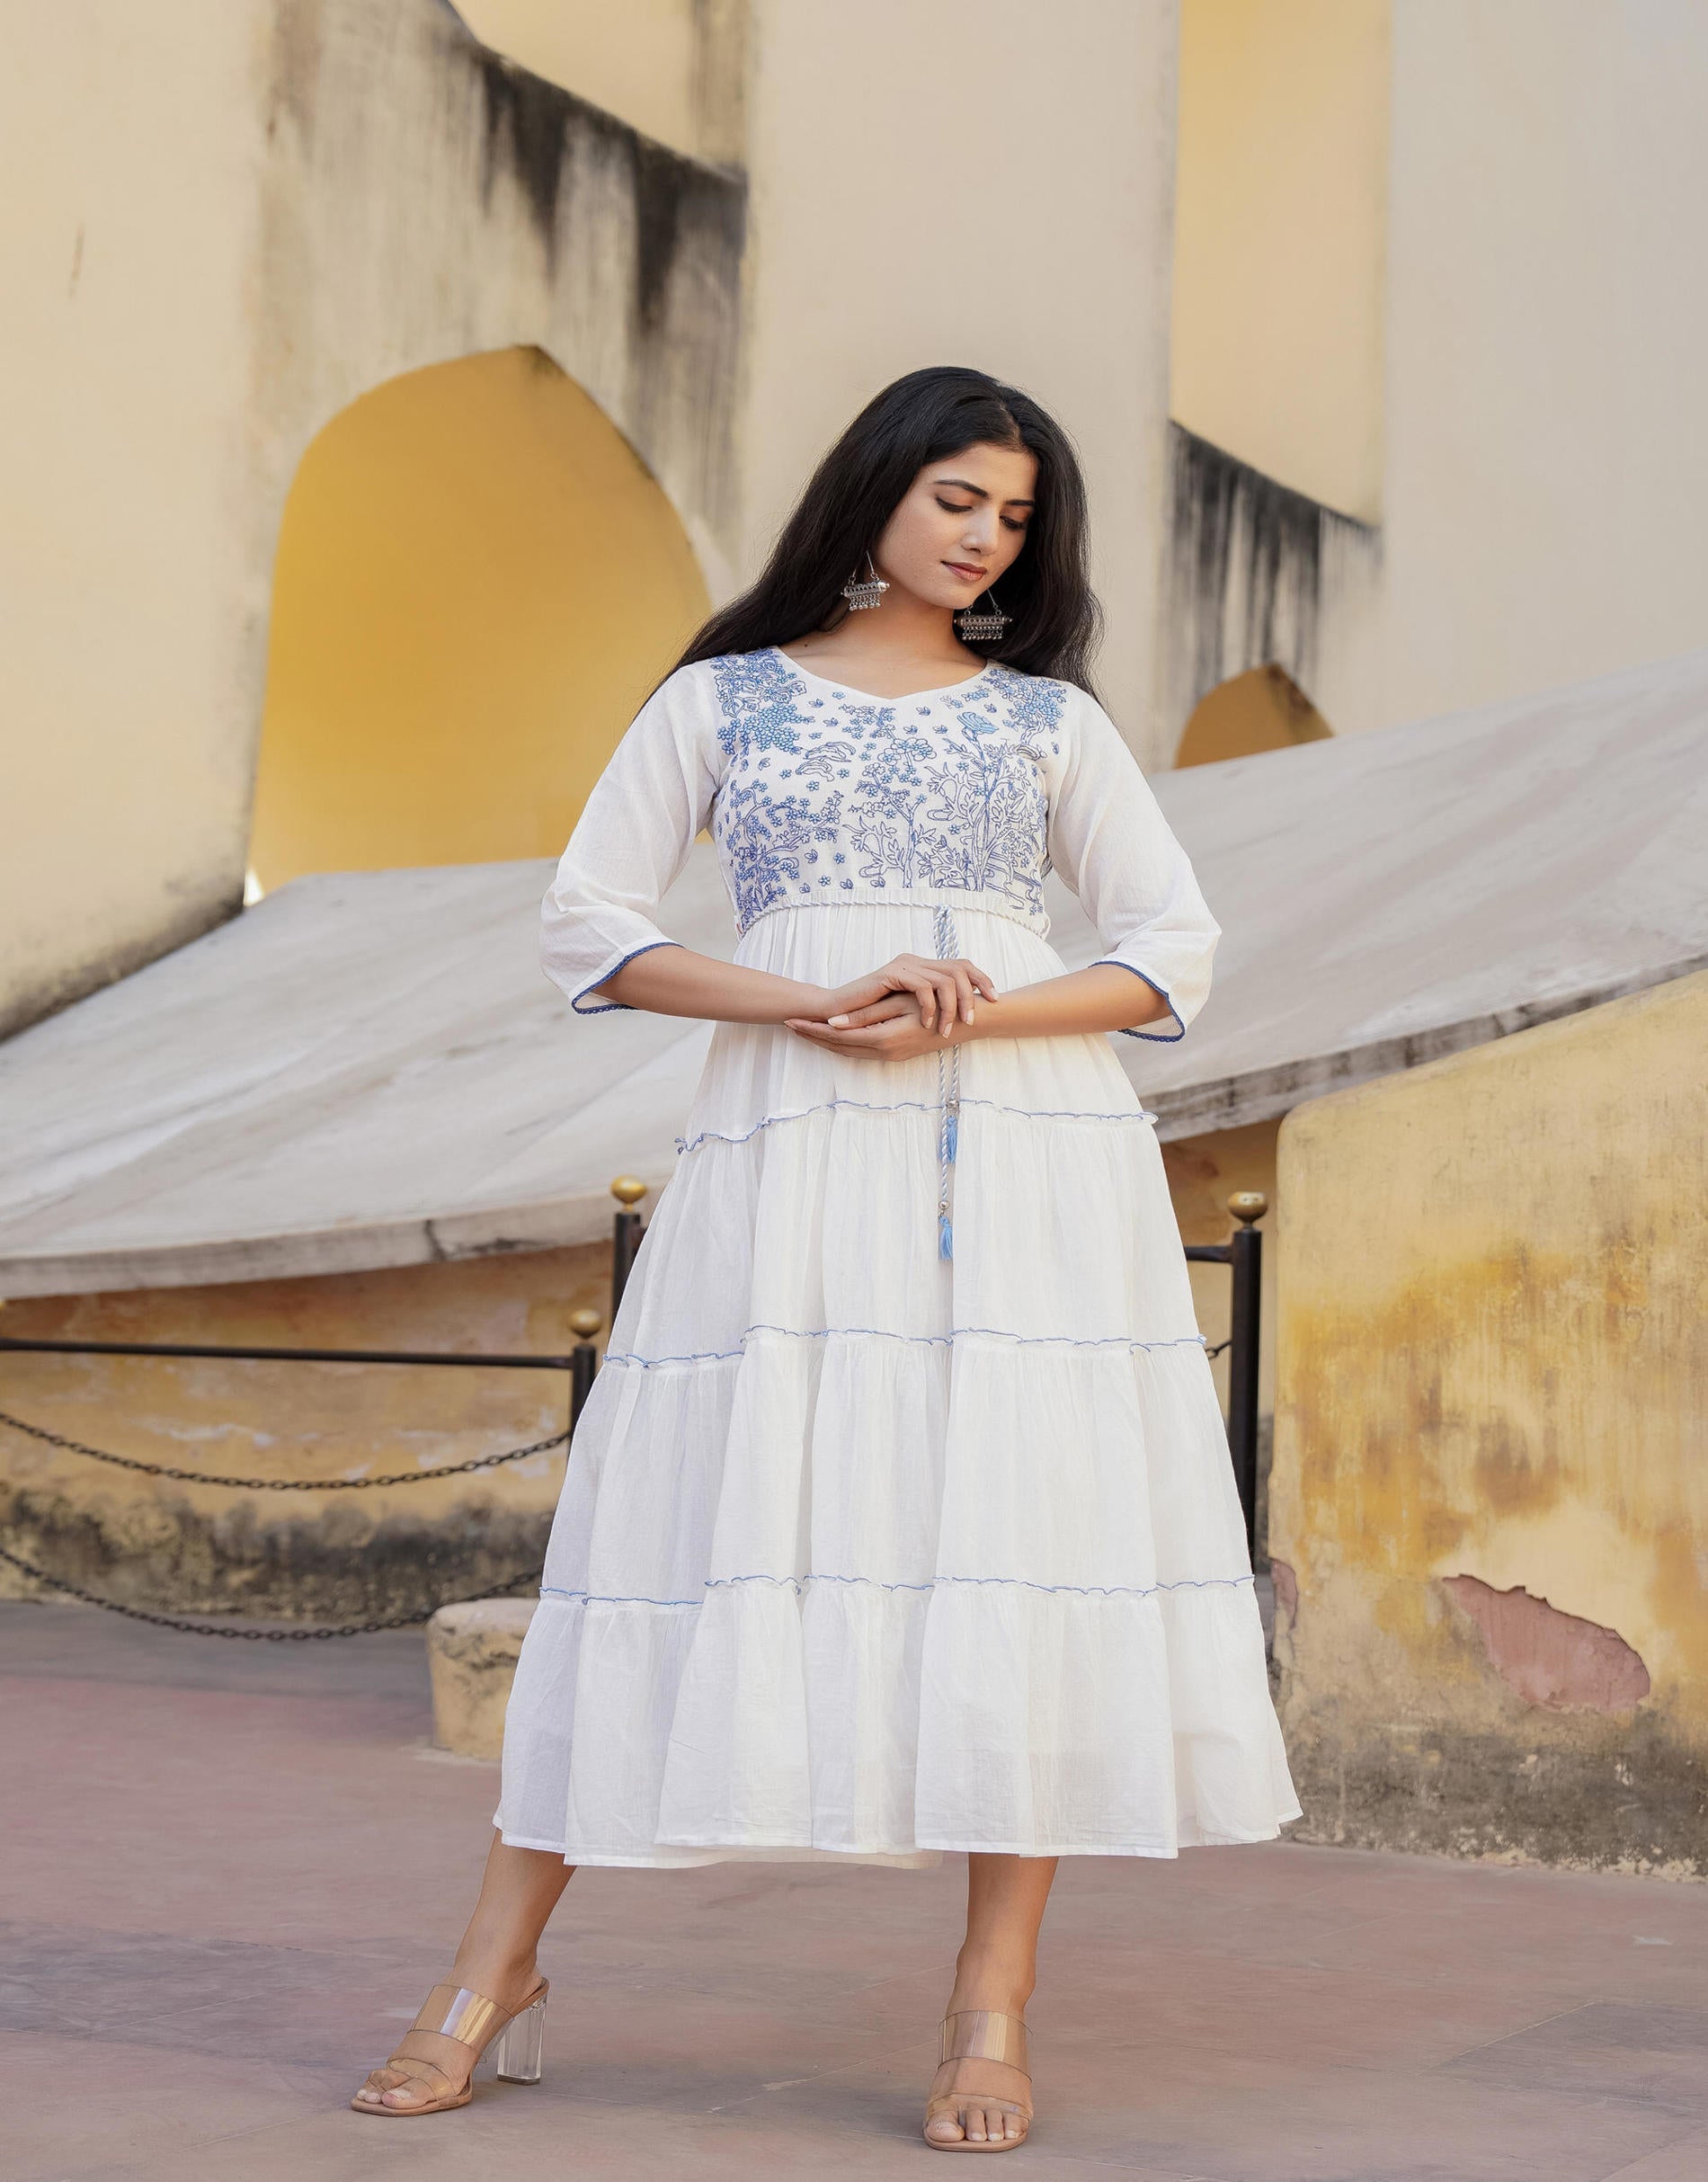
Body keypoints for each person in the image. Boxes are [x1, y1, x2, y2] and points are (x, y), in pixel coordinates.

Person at [351, 365, 1299, 2151]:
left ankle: (989, 2004)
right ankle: (492, 1971)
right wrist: (808, 1000)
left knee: (1010, 1545)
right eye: (957, 496)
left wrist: (974, 1010)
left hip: (1026, 1159)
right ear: (876, 486)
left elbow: (1169, 954)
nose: (985, 536)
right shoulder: (724, 698)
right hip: (789, 1150)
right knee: (673, 1533)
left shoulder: (1046, 722)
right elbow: (590, 925)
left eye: (1014, 514)